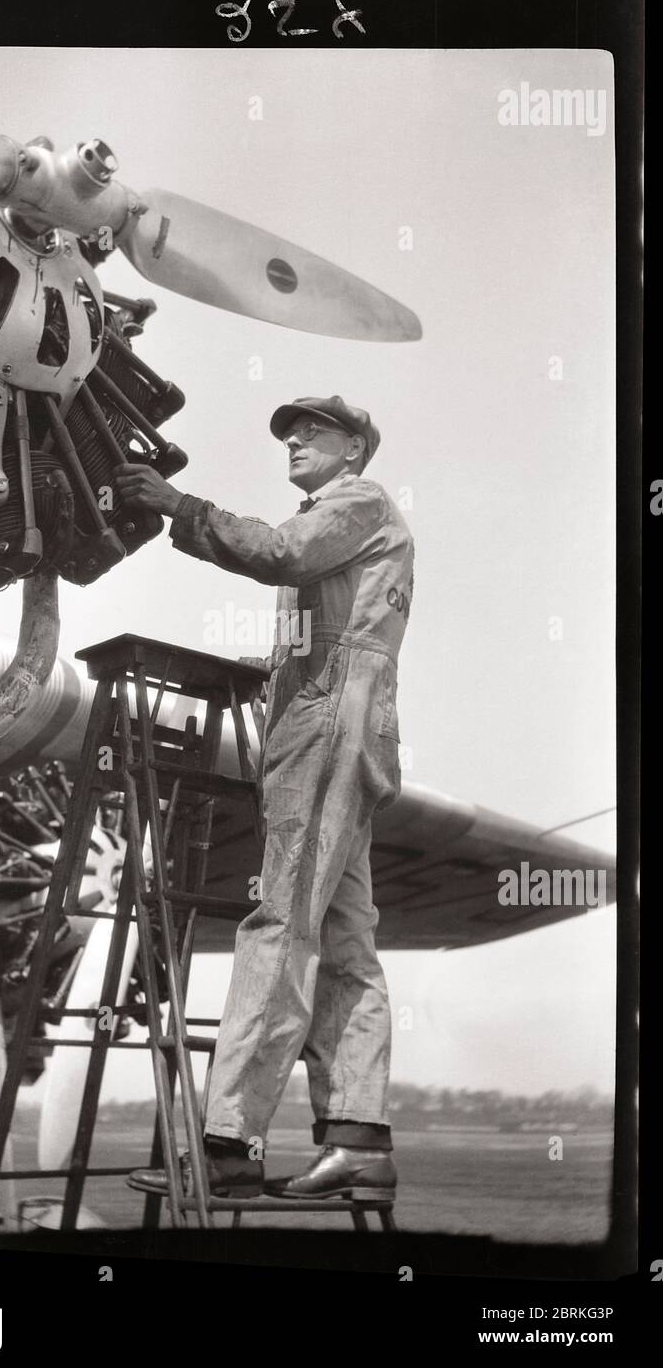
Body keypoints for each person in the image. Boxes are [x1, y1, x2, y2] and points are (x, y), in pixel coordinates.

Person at [114, 396, 414, 1201]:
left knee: (279, 926)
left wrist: (180, 505)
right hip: (345, 736)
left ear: (357, 447)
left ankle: (230, 1146)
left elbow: (280, 552)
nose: (295, 439)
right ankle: (359, 1143)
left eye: (314, 429)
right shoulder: (350, 531)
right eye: (288, 430)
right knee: (346, 941)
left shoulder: (357, 502)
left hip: (326, 736)